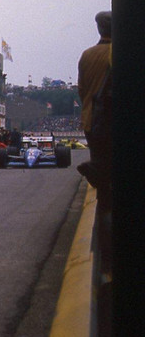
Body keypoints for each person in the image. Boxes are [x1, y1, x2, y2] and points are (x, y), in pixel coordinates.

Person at [77, 11, 112, 211]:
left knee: (100, 162)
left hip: (91, 119)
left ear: (99, 28)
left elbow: (82, 90)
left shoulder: (87, 55)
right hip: (113, 118)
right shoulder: (118, 51)